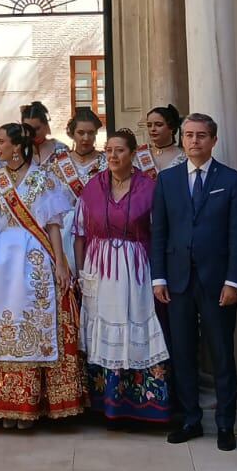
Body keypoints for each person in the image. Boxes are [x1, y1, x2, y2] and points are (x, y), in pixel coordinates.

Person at [0, 121, 83, 427]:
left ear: (18, 146)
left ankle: (30, 404)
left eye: (2, 143)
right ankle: (0, 402)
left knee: (34, 324)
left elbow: (52, 226)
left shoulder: (43, 179)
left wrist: (61, 264)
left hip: (33, 260)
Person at [151, 113, 237, 450]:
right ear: (182, 138)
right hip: (177, 282)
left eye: (201, 135)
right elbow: (159, 231)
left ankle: (225, 424)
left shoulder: (232, 180)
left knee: (222, 353)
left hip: (216, 281)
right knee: (182, 352)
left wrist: (234, 281)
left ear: (213, 140)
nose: (194, 141)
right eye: (189, 135)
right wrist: (158, 277)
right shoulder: (167, 180)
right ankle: (191, 418)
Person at [76, 129, 170, 423]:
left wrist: (158, 275)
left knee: (134, 325)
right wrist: (81, 273)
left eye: (119, 150)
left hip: (135, 269)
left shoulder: (149, 188)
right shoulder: (93, 186)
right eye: (109, 151)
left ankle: (139, 406)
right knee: (100, 329)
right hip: (98, 269)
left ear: (132, 154)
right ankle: (101, 404)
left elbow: (160, 234)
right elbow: (79, 232)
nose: (113, 156)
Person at [54, 107, 106, 269]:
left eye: (91, 133)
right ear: (72, 133)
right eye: (81, 132)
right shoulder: (58, 164)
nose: (86, 138)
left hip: (98, 230)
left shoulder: (106, 162)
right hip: (65, 232)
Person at [139, 104, 186, 174]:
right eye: (149, 125)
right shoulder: (141, 154)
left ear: (171, 127)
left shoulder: (184, 157)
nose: (152, 129)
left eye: (159, 125)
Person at [21, 100, 67, 167]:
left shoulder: (60, 148)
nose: (33, 133)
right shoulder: (17, 151)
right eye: (28, 129)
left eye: (37, 129)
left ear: (45, 125)